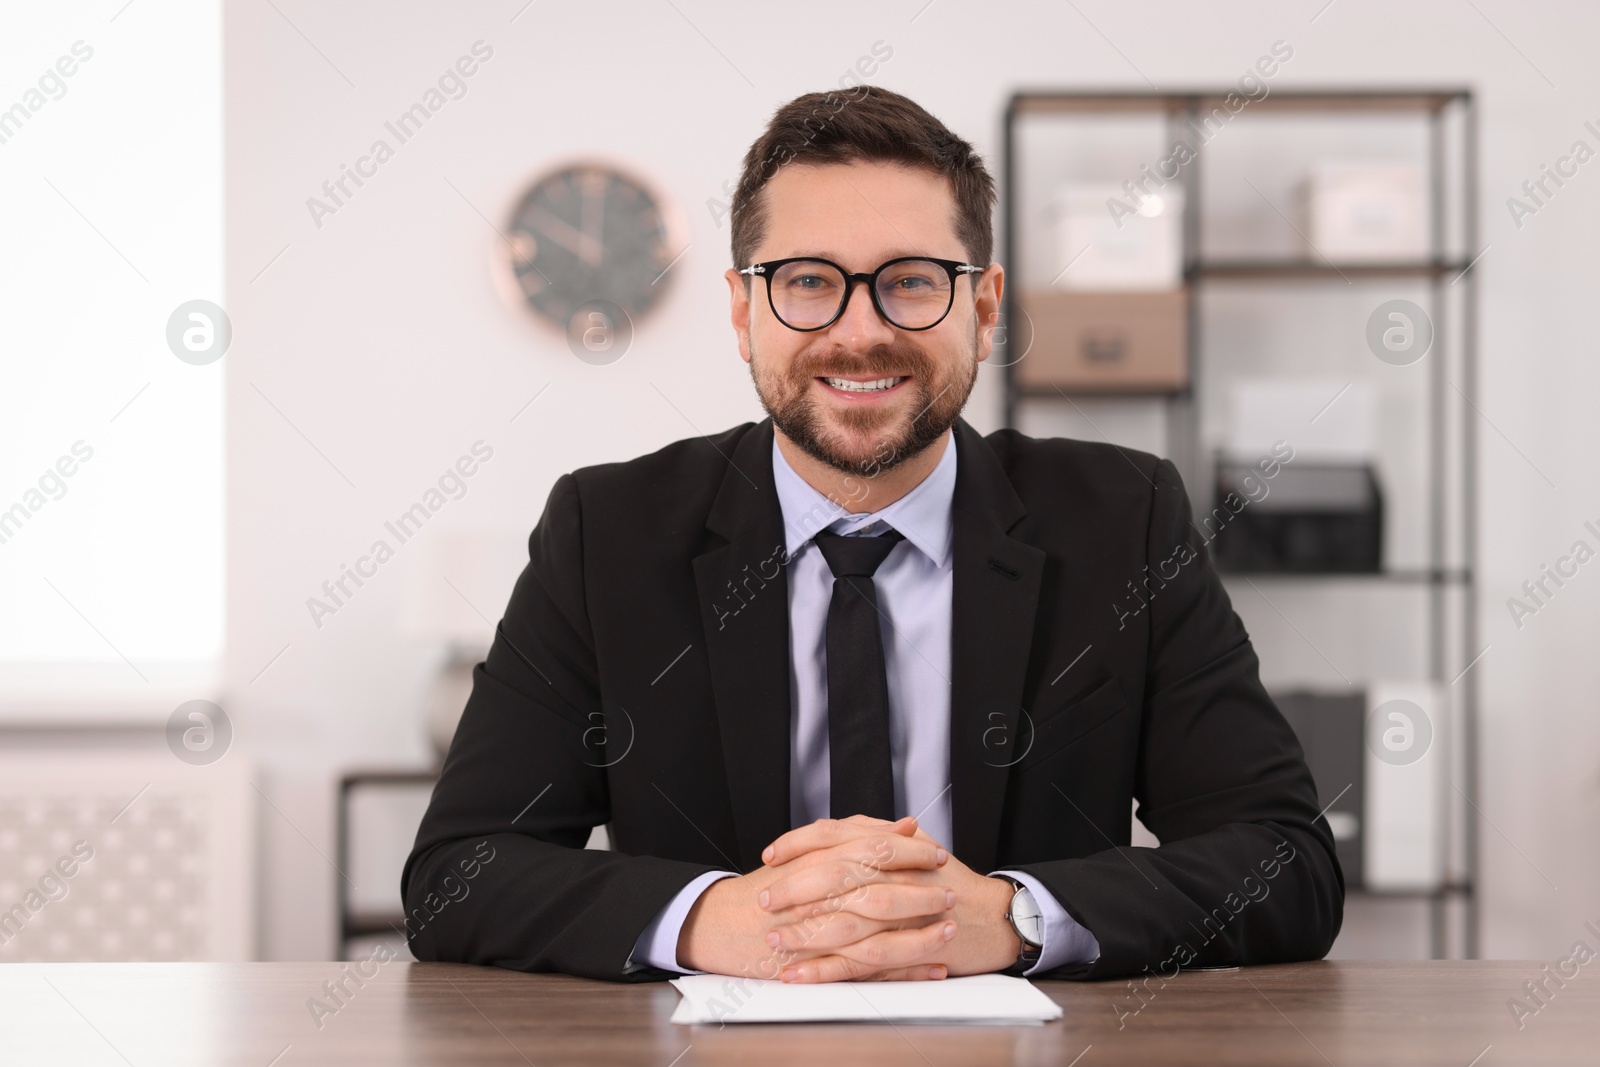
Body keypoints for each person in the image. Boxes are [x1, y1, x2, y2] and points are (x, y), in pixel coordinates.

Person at [402, 85, 1343, 985]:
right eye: (808, 281)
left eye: (911, 281)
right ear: (743, 311)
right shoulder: (604, 531)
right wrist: (714, 917)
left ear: (981, 310)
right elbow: (458, 874)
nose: (861, 332)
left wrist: (1016, 917)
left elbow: (1287, 862)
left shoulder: (1123, 517)